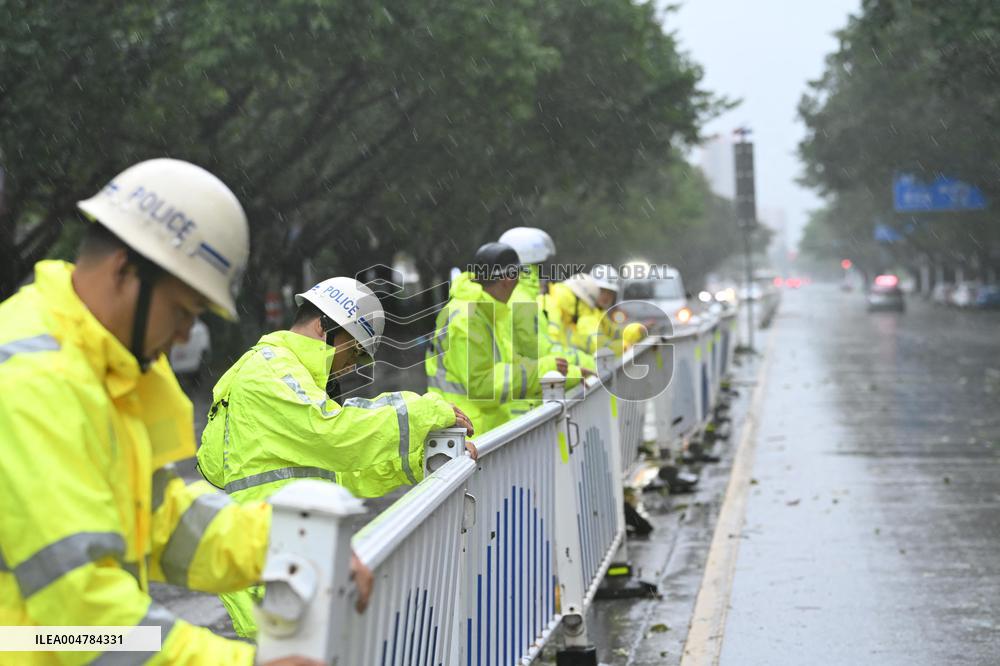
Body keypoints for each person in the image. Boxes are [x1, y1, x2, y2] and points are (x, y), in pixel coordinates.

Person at [0, 158, 324, 664]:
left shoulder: (94, 365)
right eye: (182, 312)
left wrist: (295, 545)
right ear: (126, 270)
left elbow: (163, 522)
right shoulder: (34, 383)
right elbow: (82, 617)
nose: (182, 336)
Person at [198, 276, 475, 637]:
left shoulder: (292, 376)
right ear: (324, 326)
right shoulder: (270, 369)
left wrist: (422, 460)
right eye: (356, 350)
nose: (352, 365)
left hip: (287, 557)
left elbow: (341, 471)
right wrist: (424, 413)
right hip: (273, 560)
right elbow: (335, 435)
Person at [425, 242, 579, 434]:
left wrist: (568, 371)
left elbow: (509, 361)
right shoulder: (469, 317)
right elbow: (482, 384)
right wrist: (544, 369)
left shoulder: (483, 310)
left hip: (477, 429)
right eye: (518, 278)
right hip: (468, 435)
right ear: (507, 279)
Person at [497, 227, 590, 416]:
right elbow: (540, 351)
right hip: (521, 406)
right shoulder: (522, 301)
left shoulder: (513, 296)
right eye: (540, 265)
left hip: (516, 399)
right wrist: (585, 364)